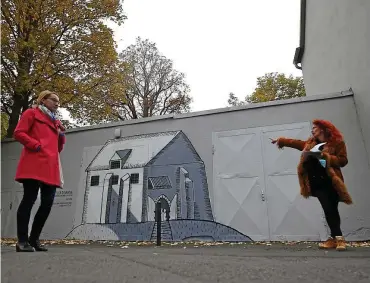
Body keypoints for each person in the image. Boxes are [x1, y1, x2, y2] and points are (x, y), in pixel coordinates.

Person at [271, 119, 352, 251]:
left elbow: (343, 161)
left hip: (331, 180)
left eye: (315, 128)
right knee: (328, 207)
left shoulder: (337, 143)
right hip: (316, 182)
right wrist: (281, 141)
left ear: (323, 129)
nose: (312, 130)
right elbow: (297, 143)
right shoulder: (311, 143)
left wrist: (325, 156)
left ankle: (335, 239)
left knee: (331, 209)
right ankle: (339, 239)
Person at [13, 90, 66, 252]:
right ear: (43, 100)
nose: (57, 103)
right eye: (54, 100)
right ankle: (22, 241)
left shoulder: (55, 121)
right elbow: (18, 133)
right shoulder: (31, 113)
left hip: (50, 166)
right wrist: (36, 145)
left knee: (47, 203)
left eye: (58, 101)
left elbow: (58, 148)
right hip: (34, 163)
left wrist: (61, 135)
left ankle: (34, 239)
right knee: (29, 199)